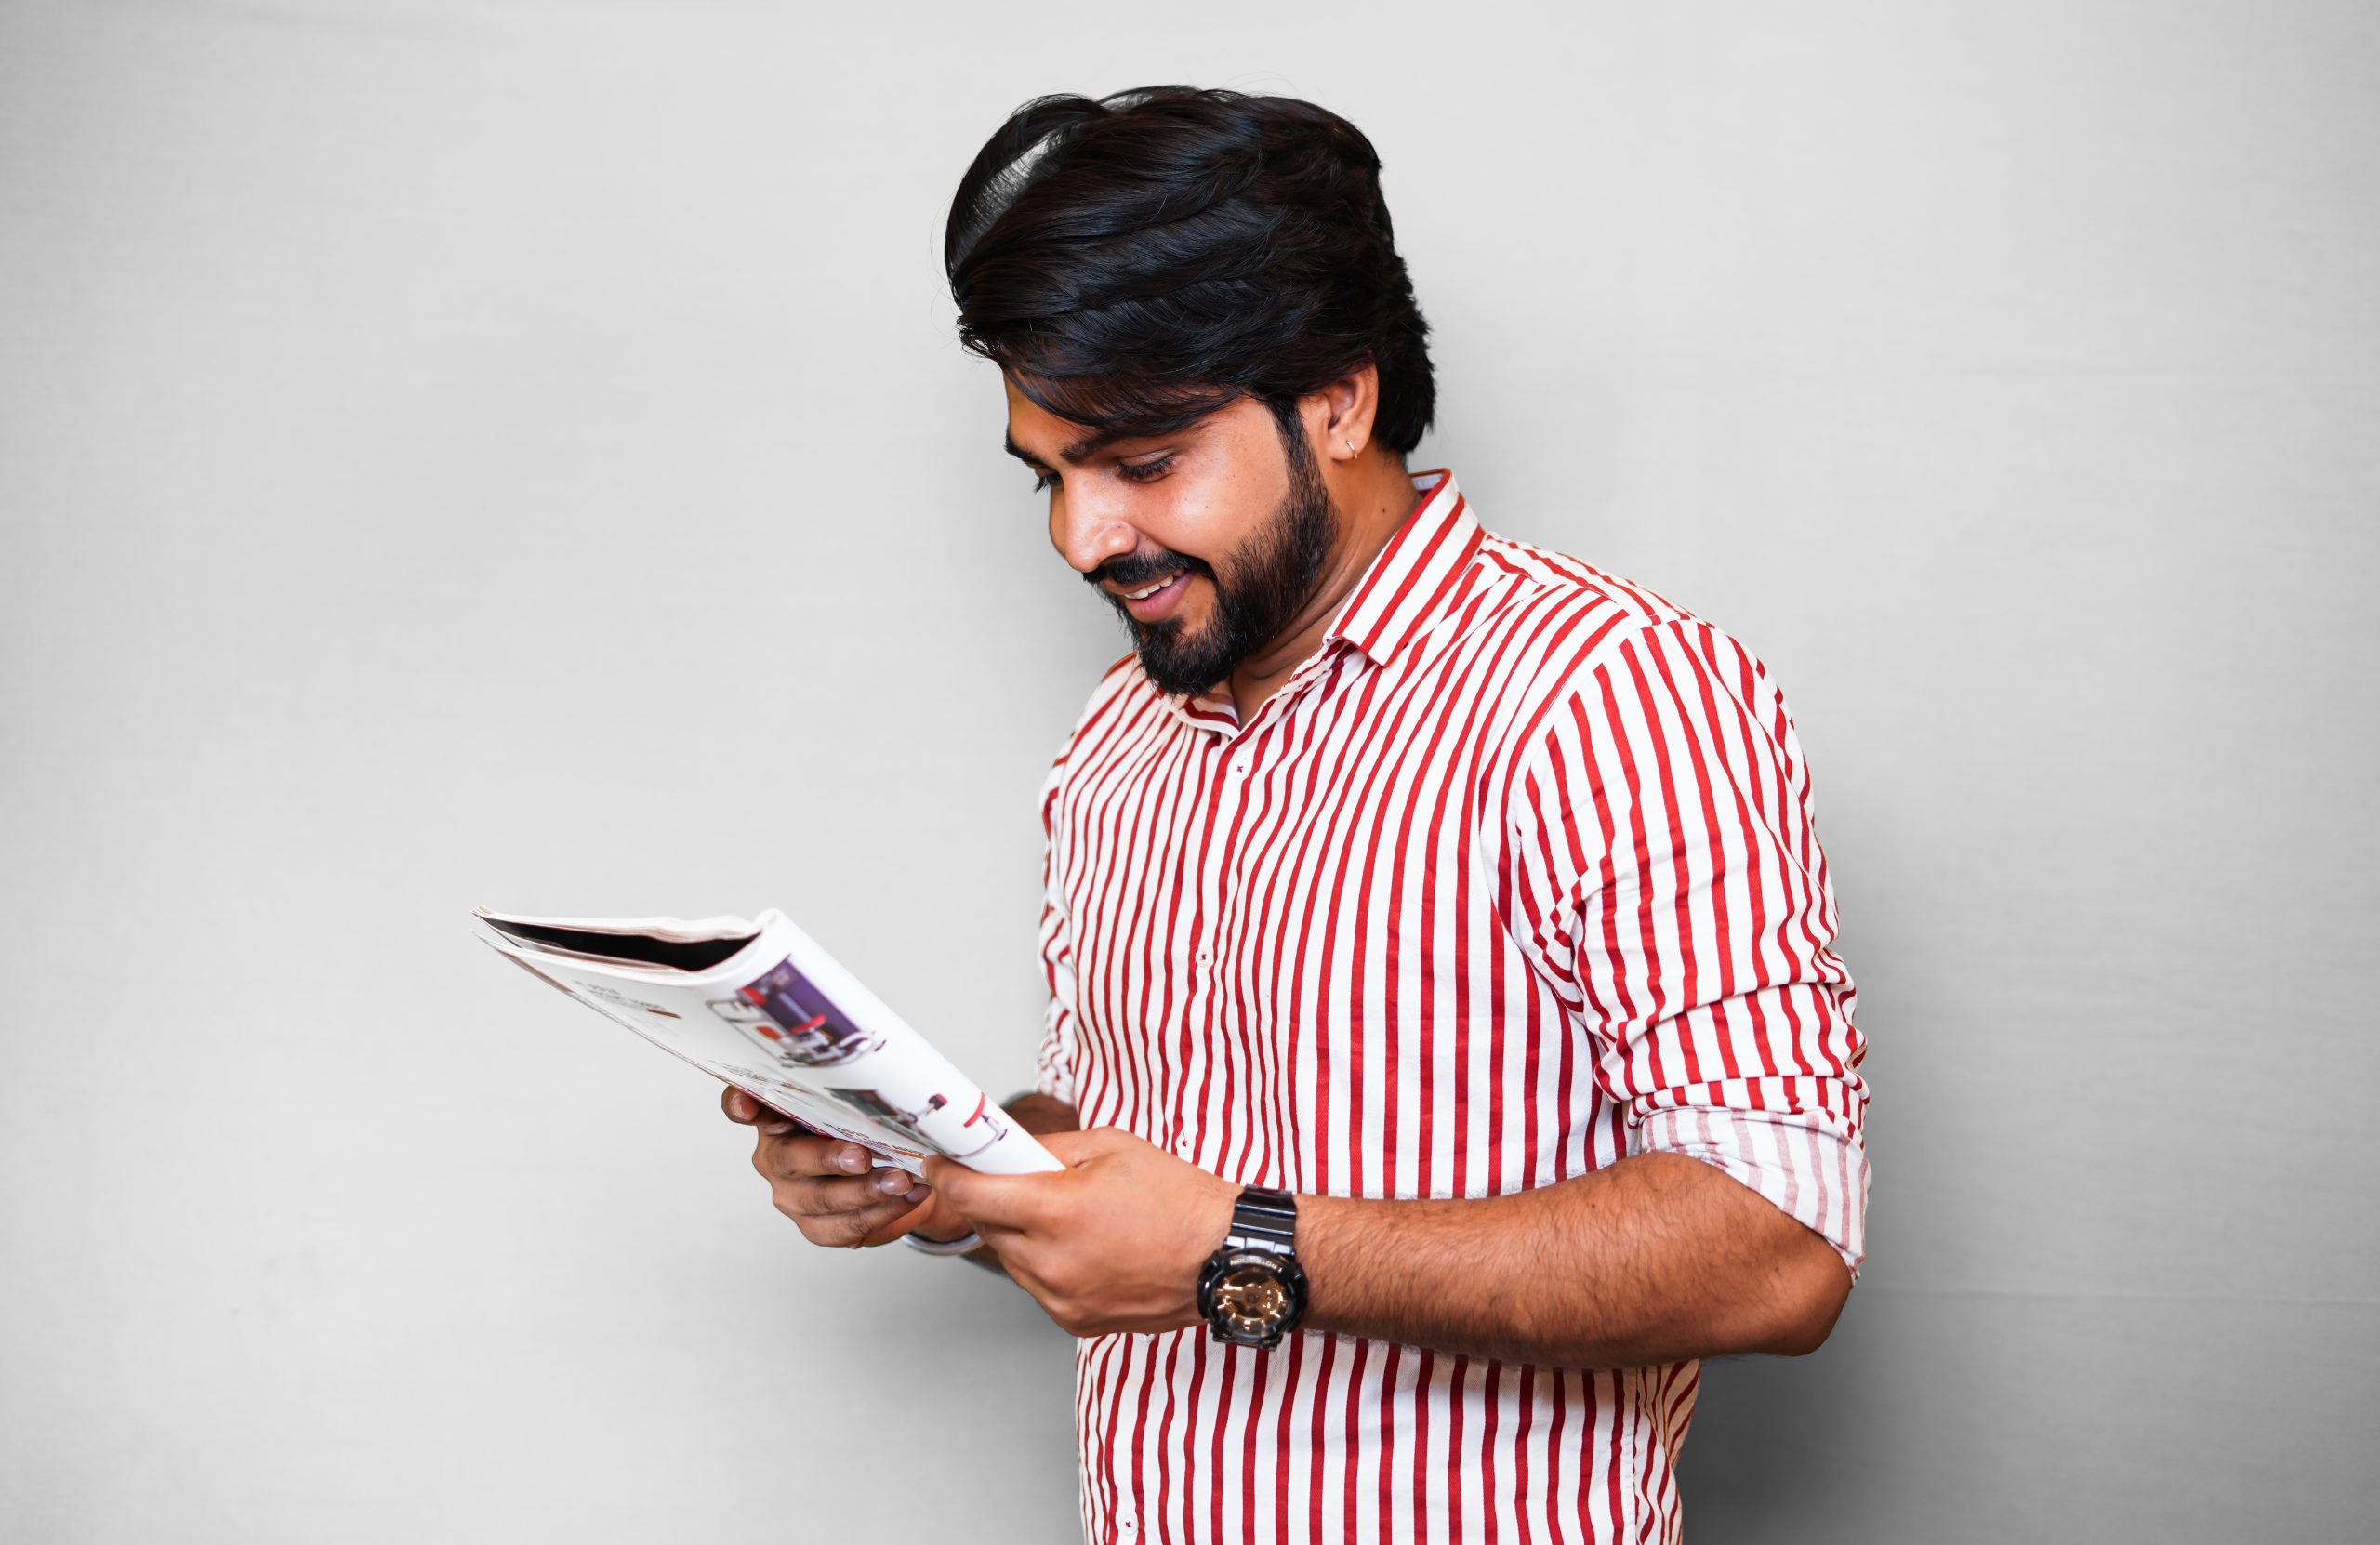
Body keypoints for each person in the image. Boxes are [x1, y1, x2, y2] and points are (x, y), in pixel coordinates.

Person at [723, 86, 1870, 1544]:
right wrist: (950, 1172)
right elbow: (1141, 1158)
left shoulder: (1613, 690)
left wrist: (1236, 1248)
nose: (1084, 538)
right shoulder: (1115, 738)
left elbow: (1780, 1247)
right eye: (1051, 475)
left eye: (1141, 462)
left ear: (1337, 395)